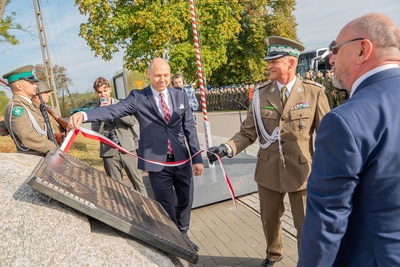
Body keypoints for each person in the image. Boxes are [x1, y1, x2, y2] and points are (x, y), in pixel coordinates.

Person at [207, 36, 330, 267]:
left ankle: (307, 261)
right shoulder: (262, 93)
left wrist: (325, 171)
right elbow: (247, 133)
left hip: (302, 173)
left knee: (306, 225)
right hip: (268, 172)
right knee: (269, 221)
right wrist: (226, 148)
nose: (269, 66)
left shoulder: (314, 93)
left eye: (275, 61)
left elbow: (326, 137)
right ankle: (273, 256)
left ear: (291, 63)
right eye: (269, 61)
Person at [69, 58, 204, 251]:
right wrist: (85, 115)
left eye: (166, 75)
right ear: (149, 74)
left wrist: (197, 158)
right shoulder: (138, 97)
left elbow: (189, 127)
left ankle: (183, 232)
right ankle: (177, 241)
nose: (162, 79)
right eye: (157, 75)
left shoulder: (179, 96)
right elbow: (114, 111)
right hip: (156, 162)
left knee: (185, 200)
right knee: (165, 206)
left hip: (181, 159)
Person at [298, 13, 400, 267]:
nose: (330, 58)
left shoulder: (345, 121)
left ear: (363, 50)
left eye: (335, 47)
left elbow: (327, 222)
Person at [90, 77, 147, 195]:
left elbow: (131, 121)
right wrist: (102, 113)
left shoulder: (122, 104)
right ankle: (124, 211)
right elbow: (96, 132)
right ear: (96, 93)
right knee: (116, 188)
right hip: (109, 152)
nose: (103, 94)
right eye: (100, 92)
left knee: (138, 183)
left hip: (128, 148)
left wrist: (114, 110)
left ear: (110, 89)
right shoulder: (96, 110)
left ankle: (146, 210)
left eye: (105, 91)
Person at [3, 65, 58, 156]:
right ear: (19, 86)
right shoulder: (17, 107)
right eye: (31, 83)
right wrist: (52, 148)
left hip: (43, 156)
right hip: (33, 158)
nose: (36, 86)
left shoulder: (29, 105)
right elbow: (27, 136)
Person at [31, 81, 66, 145]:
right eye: (46, 92)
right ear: (36, 95)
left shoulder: (45, 109)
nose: (49, 95)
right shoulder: (34, 110)